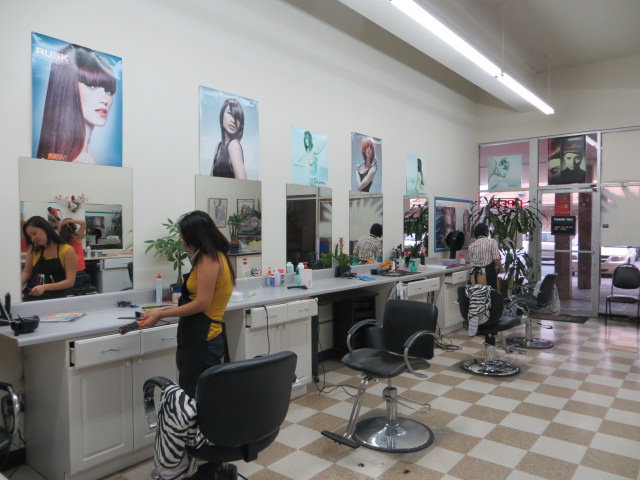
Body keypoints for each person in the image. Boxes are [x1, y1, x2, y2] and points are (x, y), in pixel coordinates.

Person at [138, 211, 235, 397]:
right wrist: (159, 311)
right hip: (201, 335)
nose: (183, 244)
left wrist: (161, 314)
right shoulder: (214, 256)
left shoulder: (209, 259)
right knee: (196, 395)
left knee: (196, 399)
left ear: (197, 237)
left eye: (185, 239)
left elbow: (202, 304)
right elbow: (195, 302)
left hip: (205, 339)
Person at [37, 43, 116, 164]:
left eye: (108, 91)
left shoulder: (52, 156)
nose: (105, 100)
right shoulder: (84, 161)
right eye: (91, 86)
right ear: (67, 88)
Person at [21, 216, 78, 300]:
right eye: (30, 236)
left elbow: (70, 282)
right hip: (33, 298)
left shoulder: (67, 251)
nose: (32, 239)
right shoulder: (33, 250)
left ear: (45, 228)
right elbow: (27, 272)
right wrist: (15, 284)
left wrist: (45, 287)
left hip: (57, 299)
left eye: (34, 233)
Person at [210, 98, 247, 179]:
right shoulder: (219, 146)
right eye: (230, 113)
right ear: (222, 114)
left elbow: (243, 184)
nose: (233, 120)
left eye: (237, 117)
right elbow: (211, 180)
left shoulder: (233, 145)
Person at [468, 223, 503, 290]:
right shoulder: (492, 242)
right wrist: (501, 268)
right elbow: (496, 259)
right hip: (488, 273)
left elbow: (471, 262)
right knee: (491, 293)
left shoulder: (471, 245)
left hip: (475, 275)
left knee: (477, 293)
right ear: (486, 232)